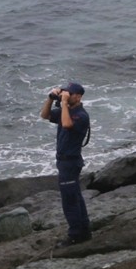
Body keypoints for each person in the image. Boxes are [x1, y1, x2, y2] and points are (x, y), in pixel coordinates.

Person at [40, 81, 92, 245]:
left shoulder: (80, 115)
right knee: (75, 196)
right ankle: (84, 230)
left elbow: (68, 124)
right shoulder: (66, 111)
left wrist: (63, 103)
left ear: (78, 96)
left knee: (69, 200)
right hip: (64, 162)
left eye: (70, 94)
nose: (66, 96)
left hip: (71, 162)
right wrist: (50, 98)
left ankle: (76, 234)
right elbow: (45, 115)